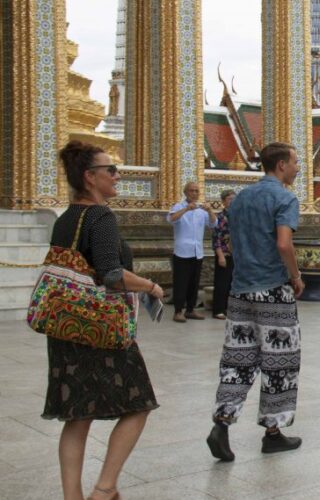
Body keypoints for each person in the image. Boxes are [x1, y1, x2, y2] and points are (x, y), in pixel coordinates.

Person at [46, 141, 164, 500]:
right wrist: (151, 285)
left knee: (77, 416)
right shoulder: (100, 217)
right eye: (110, 169)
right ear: (90, 177)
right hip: (101, 328)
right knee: (138, 405)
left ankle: (73, 497)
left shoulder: (65, 219)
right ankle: (105, 488)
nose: (117, 175)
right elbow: (113, 274)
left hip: (66, 325)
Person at [205, 142, 305, 462]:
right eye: (294, 162)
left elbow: (232, 243)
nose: (297, 168)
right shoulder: (284, 198)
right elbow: (284, 243)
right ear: (280, 166)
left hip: (239, 291)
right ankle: (273, 433)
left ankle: (222, 422)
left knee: (238, 360)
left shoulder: (240, 199)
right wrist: (296, 276)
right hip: (273, 289)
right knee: (279, 362)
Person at [167, 181, 216, 323]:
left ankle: (190, 309)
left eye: (196, 191)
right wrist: (186, 209)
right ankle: (177, 311)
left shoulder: (201, 209)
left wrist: (210, 211)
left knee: (194, 283)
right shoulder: (178, 206)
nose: (194, 193)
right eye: (191, 191)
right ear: (186, 192)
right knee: (181, 282)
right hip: (182, 251)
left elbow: (214, 224)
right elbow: (171, 219)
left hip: (197, 251)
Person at [212, 189, 236, 320]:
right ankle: (218, 309)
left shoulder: (239, 216)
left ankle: (229, 308)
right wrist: (220, 255)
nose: (232, 202)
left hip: (236, 254)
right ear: (223, 202)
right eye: (229, 199)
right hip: (224, 254)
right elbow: (216, 238)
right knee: (222, 283)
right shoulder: (220, 217)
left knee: (233, 283)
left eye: (234, 199)